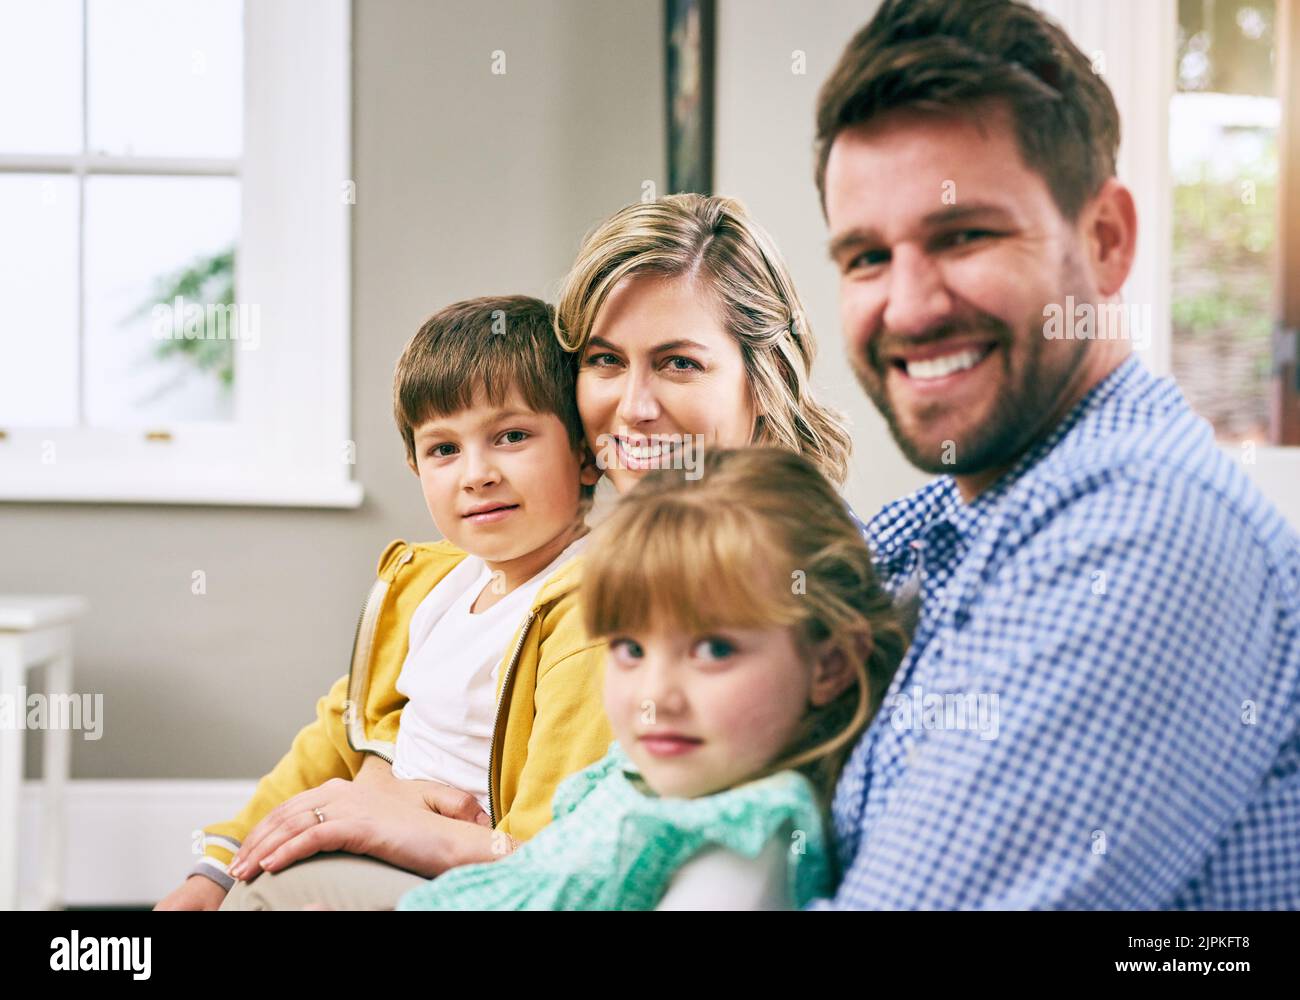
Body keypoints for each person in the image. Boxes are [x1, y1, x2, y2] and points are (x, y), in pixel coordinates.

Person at [811, 0, 1300, 908]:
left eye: (964, 236)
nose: (910, 309)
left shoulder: (1145, 533)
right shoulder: (941, 523)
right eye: (867, 258)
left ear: (1106, 241)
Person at [156, 295, 609, 910]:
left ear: (585, 454)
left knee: (273, 899)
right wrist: (215, 865)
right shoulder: (428, 587)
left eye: (511, 436)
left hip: (465, 876)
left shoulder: (590, 611)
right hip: (379, 833)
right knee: (242, 890)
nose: (475, 473)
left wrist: (401, 821)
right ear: (415, 465)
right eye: (443, 449)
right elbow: (336, 737)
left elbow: (548, 848)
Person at [397, 447, 906, 910]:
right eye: (630, 649)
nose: (655, 697)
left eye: (713, 649)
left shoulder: (742, 844)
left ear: (829, 666)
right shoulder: (637, 776)